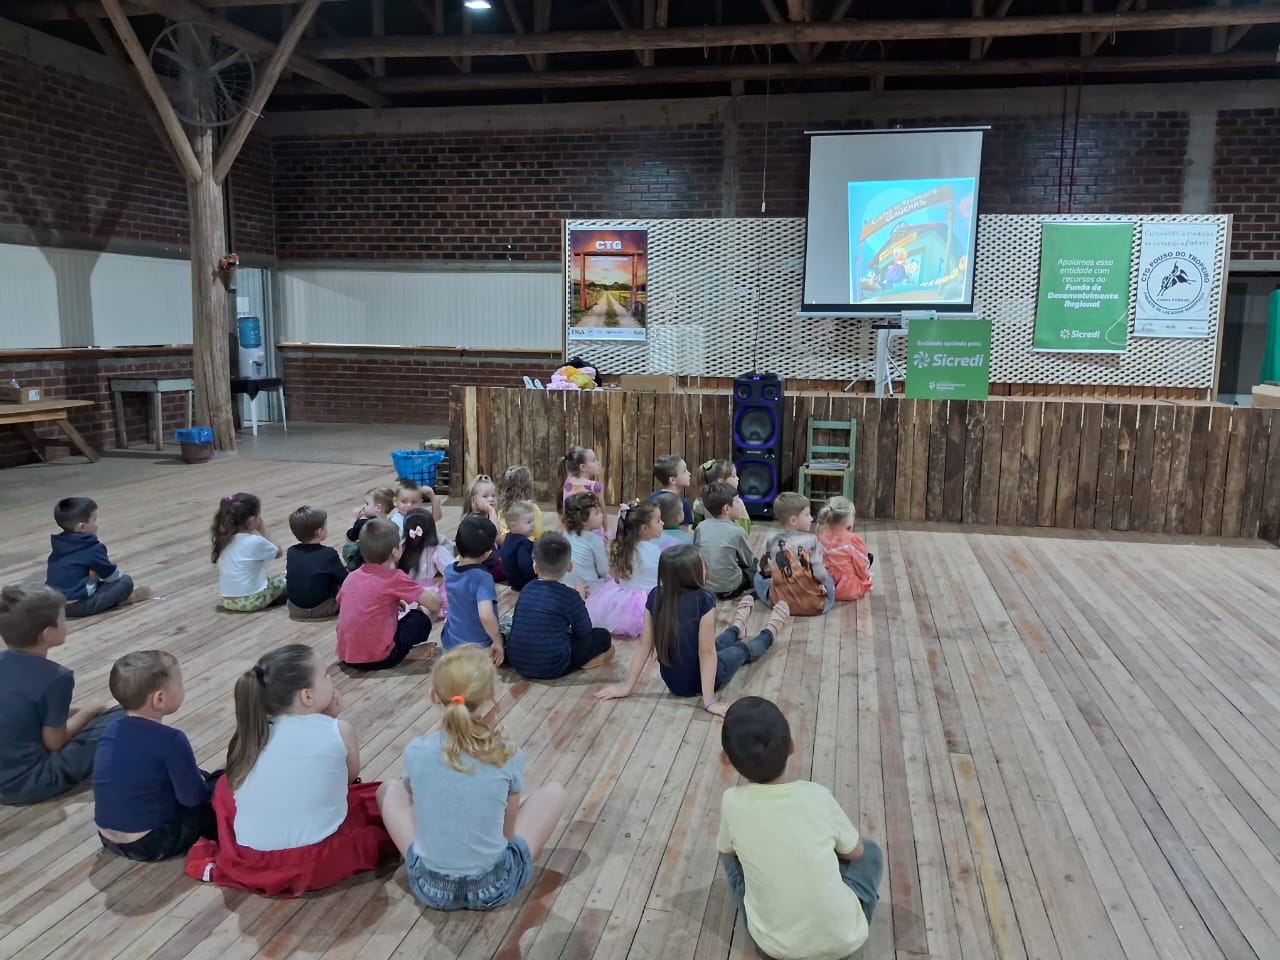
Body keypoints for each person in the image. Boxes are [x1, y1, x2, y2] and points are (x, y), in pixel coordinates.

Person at [184, 644, 397, 897]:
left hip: (253, 858)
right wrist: (330, 719)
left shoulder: (253, 734)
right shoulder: (339, 730)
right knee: (382, 797)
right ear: (307, 696)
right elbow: (346, 781)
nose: (331, 679)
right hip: (318, 861)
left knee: (224, 788)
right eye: (326, 675)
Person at [375, 646, 567, 911]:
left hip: (430, 887)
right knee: (555, 792)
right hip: (494, 886)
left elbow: (416, 802)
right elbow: (507, 835)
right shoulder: (507, 753)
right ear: (490, 694)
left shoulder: (416, 751)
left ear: (433, 695)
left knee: (389, 789)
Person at [716, 697, 882, 959]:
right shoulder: (817, 795)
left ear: (726, 759)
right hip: (844, 942)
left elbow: (729, 851)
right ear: (792, 747)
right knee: (870, 850)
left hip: (774, 950)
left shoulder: (732, 802)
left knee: (726, 853)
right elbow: (856, 853)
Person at [594, 546, 789, 717]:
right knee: (741, 650)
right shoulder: (704, 599)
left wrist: (627, 687)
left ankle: (737, 627)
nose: (707, 568)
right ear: (692, 573)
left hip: (673, 682)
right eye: (703, 565)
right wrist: (709, 702)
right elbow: (707, 654)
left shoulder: (655, 595)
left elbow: (645, 645)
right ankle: (769, 632)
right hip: (698, 681)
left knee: (717, 642)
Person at [0, 584, 121, 805]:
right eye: (63, 619)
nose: (66, 625)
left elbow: (22, 711)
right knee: (125, 714)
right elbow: (55, 742)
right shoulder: (56, 677)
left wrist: (75, 712)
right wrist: (88, 710)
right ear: (47, 633)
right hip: (28, 782)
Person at [93, 651, 217, 861]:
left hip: (108, 837)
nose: (183, 687)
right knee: (218, 786)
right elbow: (193, 799)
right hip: (154, 843)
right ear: (159, 698)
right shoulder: (172, 740)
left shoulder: (111, 728)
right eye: (180, 683)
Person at [505, 533, 614, 679]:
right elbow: (584, 632)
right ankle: (583, 662)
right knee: (603, 636)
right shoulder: (569, 596)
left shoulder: (527, 588)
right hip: (553, 666)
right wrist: (580, 599)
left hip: (517, 662)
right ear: (570, 566)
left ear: (535, 567)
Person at [336, 519, 439, 671]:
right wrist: (435, 593)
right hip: (381, 658)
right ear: (395, 553)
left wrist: (390, 604)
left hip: (347, 656)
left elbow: (354, 604)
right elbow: (434, 605)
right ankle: (403, 653)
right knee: (423, 614)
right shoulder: (395, 578)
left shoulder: (351, 577)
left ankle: (399, 652)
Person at [46, 496, 150, 618]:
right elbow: (111, 576)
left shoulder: (60, 543)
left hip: (55, 604)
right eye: (94, 520)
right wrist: (120, 578)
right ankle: (121, 599)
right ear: (82, 527)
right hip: (78, 606)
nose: (98, 523)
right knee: (125, 582)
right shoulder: (91, 547)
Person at [584, 499, 665, 638]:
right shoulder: (656, 551)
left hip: (624, 600)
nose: (662, 523)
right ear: (644, 528)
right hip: (650, 600)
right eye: (658, 521)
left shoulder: (623, 549)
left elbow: (617, 578)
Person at [754, 493, 834, 616]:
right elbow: (820, 575)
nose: (811, 519)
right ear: (793, 520)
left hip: (780, 603)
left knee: (757, 578)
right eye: (807, 515)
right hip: (815, 606)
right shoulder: (813, 540)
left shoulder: (771, 540)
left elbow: (766, 571)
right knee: (828, 576)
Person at [440, 515, 505, 665]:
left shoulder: (449, 570)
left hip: (450, 643)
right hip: (477, 647)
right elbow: (486, 616)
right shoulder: (482, 578)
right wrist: (497, 641)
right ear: (488, 553)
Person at [211, 493, 285, 613]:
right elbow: (278, 553)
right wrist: (263, 530)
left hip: (227, 601)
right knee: (288, 576)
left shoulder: (224, 540)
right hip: (252, 600)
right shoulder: (255, 541)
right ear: (252, 520)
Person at [694, 482, 756, 599]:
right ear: (727, 509)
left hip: (704, 586)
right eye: (737, 501)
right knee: (754, 563)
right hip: (730, 588)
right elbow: (748, 561)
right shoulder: (737, 531)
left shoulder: (701, 527)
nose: (740, 504)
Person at [285, 506, 347, 620]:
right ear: (319, 532)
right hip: (324, 608)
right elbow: (345, 580)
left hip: (295, 609)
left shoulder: (291, 551)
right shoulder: (328, 553)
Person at [397, 508, 453, 620]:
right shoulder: (436, 550)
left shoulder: (400, 548)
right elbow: (452, 571)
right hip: (427, 596)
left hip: (404, 596)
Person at [814, 497, 873, 603]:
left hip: (823, 585)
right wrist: (866, 577)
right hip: (846, 588)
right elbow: (861, 566)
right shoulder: (852, 540)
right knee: (866, 559)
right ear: (849, 521)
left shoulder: (820, 537)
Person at [560, 492, 610, 595]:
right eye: (597, 513)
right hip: (588, 587)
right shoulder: (595, 540)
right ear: (583, 520)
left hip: (565, 584)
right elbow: (604, 571)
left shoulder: (564, 534)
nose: (602, 516)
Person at [462, 474, 506, 580]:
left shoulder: (489, 515)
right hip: (484, 564)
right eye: (485, 496)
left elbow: (498, 541)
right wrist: (492, 511)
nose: (491, 499)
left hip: (492, 555)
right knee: (508, 568)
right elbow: (494, 536)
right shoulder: (473, 519)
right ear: (474, 500)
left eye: (493, 496)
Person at [691, 459, 751, 536]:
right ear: (721, 482)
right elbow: (745, 530)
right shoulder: (736, 503)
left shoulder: (699, 502)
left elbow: (697, 527)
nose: (737, 478)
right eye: (734, 476)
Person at [344, 487, 395, 570]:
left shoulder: (363, 524)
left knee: (348, 547)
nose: (363, 506)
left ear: (378, 508)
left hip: (363, 564)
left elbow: (349, 538)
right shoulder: (391, 523)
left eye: (367, 504)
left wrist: (353, 518)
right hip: (384, 561)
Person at [496, 465, 545, 541]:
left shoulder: (501, 512)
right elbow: (539, 535)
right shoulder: (532, 509)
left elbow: (501, 538)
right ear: (528, 488)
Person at [498, 501, 537, 592]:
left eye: (533, 521)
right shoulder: (523, 543)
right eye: (528, 522)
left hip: (513, 581)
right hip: (525, 583)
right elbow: (525, 564)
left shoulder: (507, 538)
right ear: (513, 525)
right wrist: (533, 580)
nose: (533, 525)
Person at [649, 454, 693, 530]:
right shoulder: (682, 503)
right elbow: (683, 531)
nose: (689, 473)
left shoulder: (652, 497)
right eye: (684, 471)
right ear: (672, 480)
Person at [560, 446, 605, 519]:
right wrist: (606, 527)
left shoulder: (567, 485)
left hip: (572, 525)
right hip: (592, 526)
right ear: (583, 467)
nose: (598, 463)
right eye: (594, 460)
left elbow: (565, 514)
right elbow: (603, 514)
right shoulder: (596, 486)